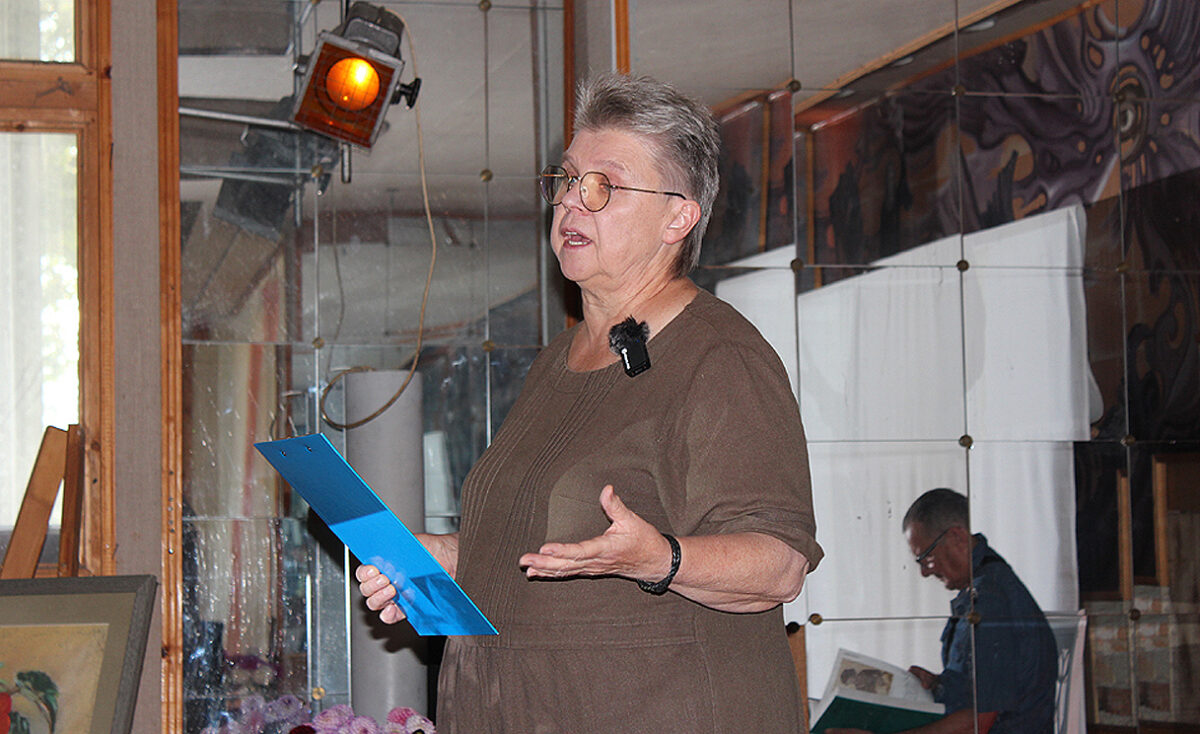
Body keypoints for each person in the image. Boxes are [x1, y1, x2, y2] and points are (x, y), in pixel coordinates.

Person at [355, 72, 822, 733]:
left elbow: (779, 565)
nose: (573, 201)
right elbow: (556, 547)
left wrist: (660, 558)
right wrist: (453, 557)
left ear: (678, 217)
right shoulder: (558, 359)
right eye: (568, 179)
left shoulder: (720, 357)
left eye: (604, 186)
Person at [831, 488, 1057, 734]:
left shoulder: (989, 602)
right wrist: (939, 684)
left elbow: (979, 722)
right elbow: (985, 686)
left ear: (957, 537)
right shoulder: (984, 585)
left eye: (926, 558)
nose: (925, 572)